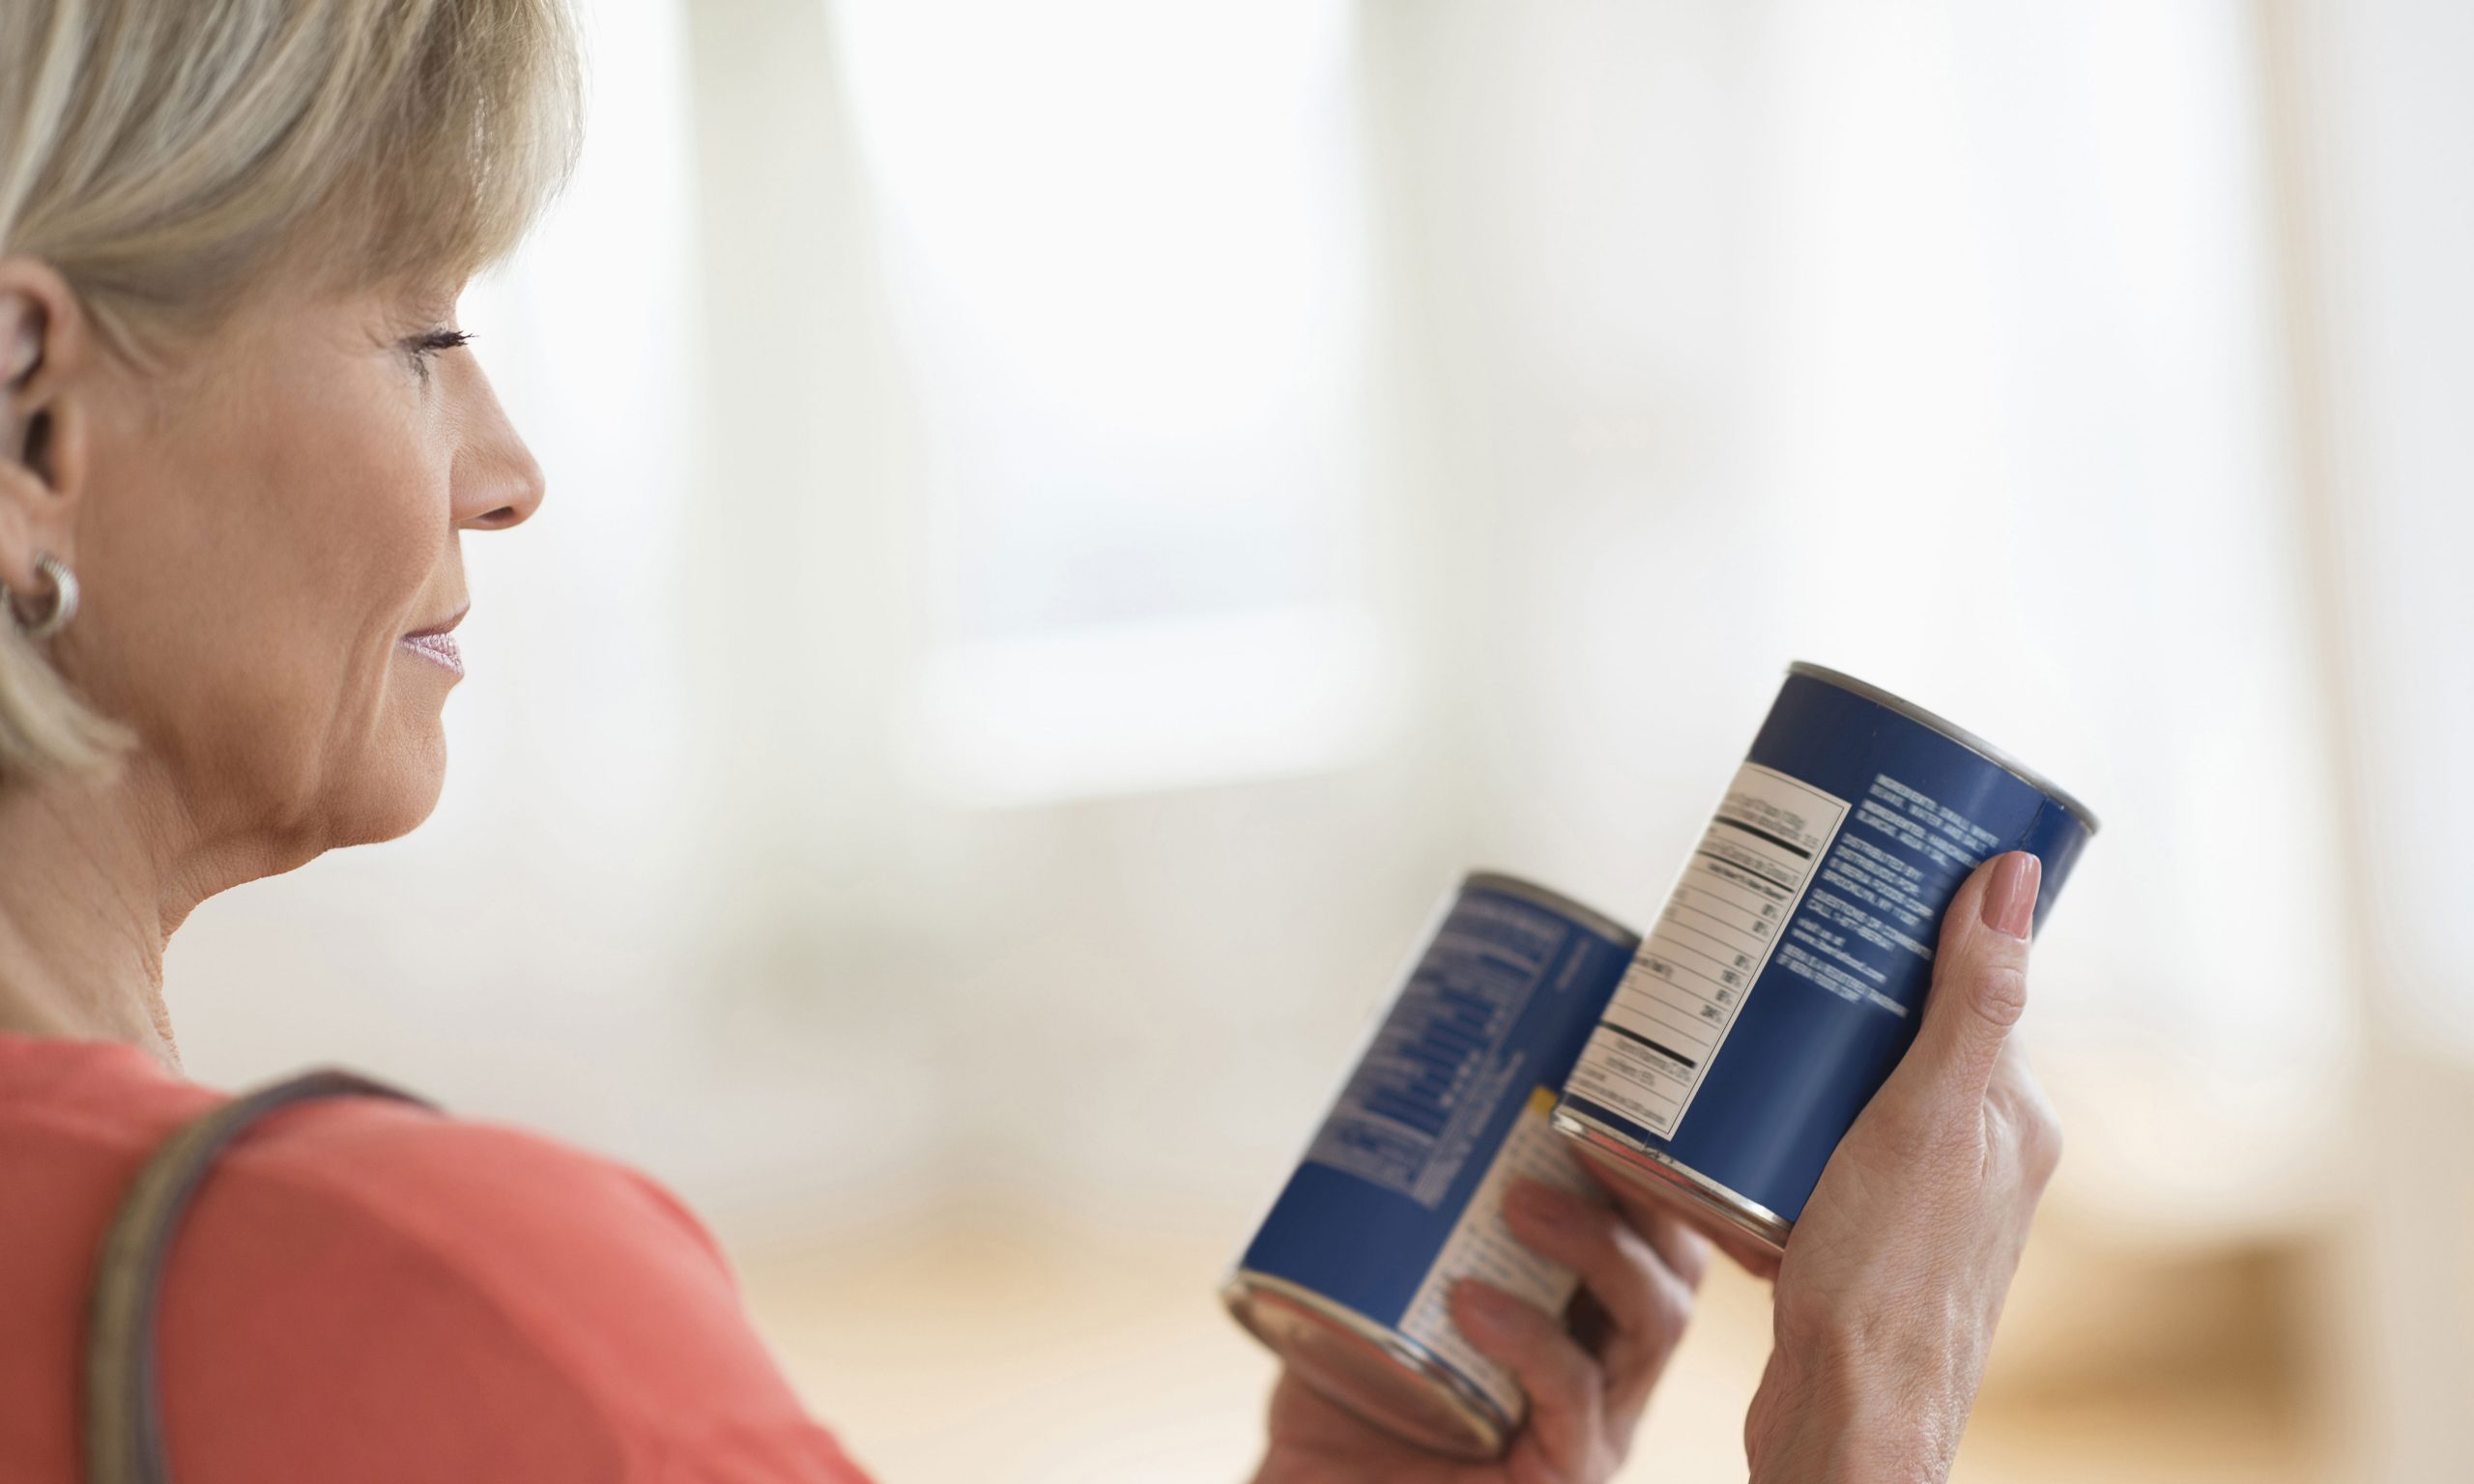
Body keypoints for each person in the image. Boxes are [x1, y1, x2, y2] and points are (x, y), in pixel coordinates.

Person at [0, 3, 2063, 1481]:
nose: (508, 466)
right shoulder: (409, 1297)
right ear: (31, 413)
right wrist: (1865, 1421)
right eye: (419, 329)